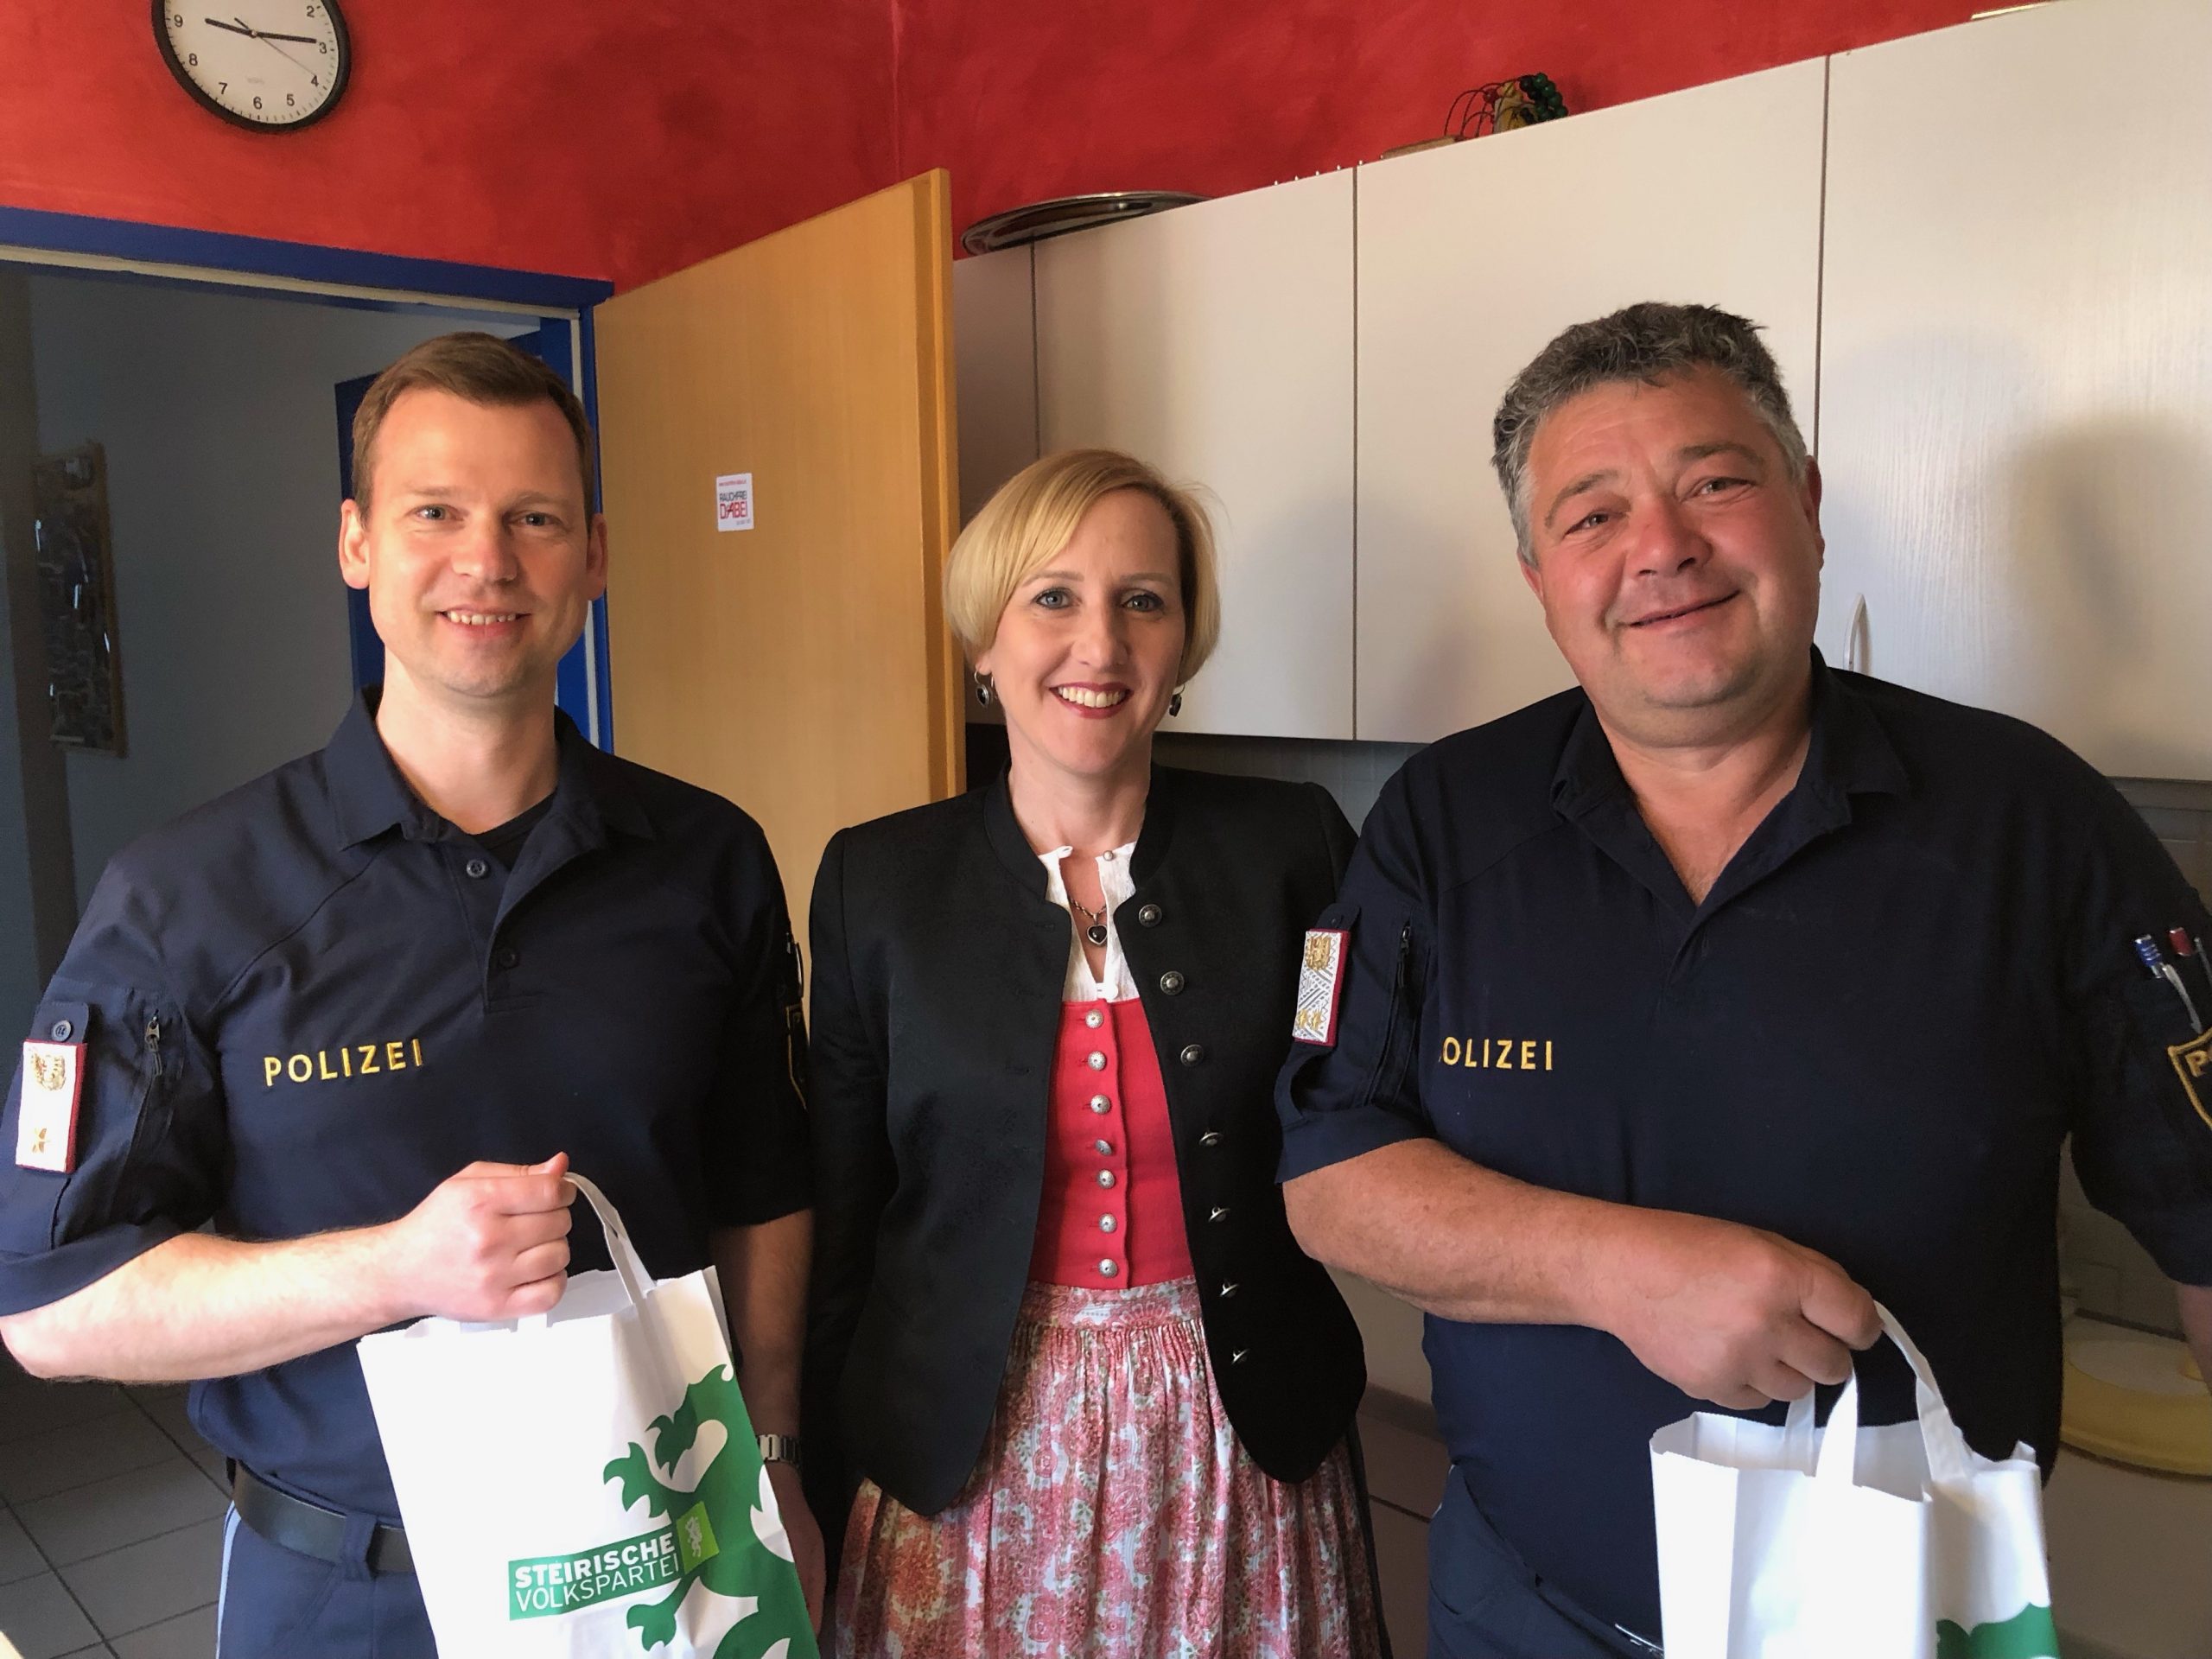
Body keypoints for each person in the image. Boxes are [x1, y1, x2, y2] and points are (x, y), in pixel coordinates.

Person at [1275, 302, 2212, 1657]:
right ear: (1539, 576)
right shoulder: (1442, 821)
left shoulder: (2036, 824)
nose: (1661, 546)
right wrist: (1619, 1270)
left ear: (1808, 508)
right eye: (1593, 515)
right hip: (1523, 1607)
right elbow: (1328, 1175)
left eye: (1714, 482)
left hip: (1908, 1614)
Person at [0, 332, 824, 1656]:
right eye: (435, 512)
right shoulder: (189, 893)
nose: (486, 561)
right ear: (356, 543)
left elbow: (761, 1186)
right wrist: (398, 1267)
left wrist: (773, 1454)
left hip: (666, 1556)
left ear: (594, 555)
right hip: (350, 1588)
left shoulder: (708, 857)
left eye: (533, 518)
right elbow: (53, 1308)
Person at [803, 448, 1386, 1656]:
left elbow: (1362, 1121)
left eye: (1143, 601)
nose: (1100, 643)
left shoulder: (1296, 849)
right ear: (985, 639)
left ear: (1183, 647)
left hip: (1239, 1441)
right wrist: (804, 1479)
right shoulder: (879, 882)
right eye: (1053, 597)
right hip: (963, 1459)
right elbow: (845, 1215)